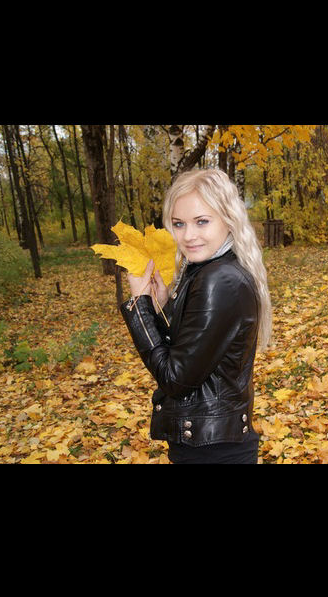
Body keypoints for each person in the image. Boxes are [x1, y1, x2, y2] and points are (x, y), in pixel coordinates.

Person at [119, 168, 272, 464]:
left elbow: (175, 379)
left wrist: (140, 306)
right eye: (179, 224)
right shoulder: (210, 269)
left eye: (202, 221)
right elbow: (193, 348)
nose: (188, 236)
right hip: (212, 443)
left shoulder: (218, 279)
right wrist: (164, 305)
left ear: (228, 218)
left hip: (212, 452)